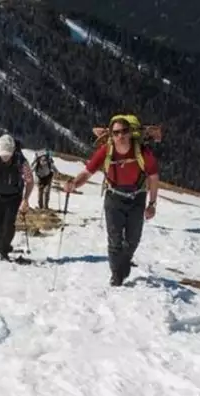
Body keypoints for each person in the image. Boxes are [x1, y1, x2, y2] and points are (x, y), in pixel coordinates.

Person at [64, 115, 159, 286]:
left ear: (130, 133)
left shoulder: (143, 153)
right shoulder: (106, 152)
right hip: (114, 198)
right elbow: (87, 172)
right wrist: (74, 184)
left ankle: (123, 266)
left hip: (137, 197)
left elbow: (153, 177)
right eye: (116, 133)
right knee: (114, 240)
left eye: (124, 131)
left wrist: (152, 204)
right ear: (111, 135)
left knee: (133, 239)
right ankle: (117, 276)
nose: (120, 136)